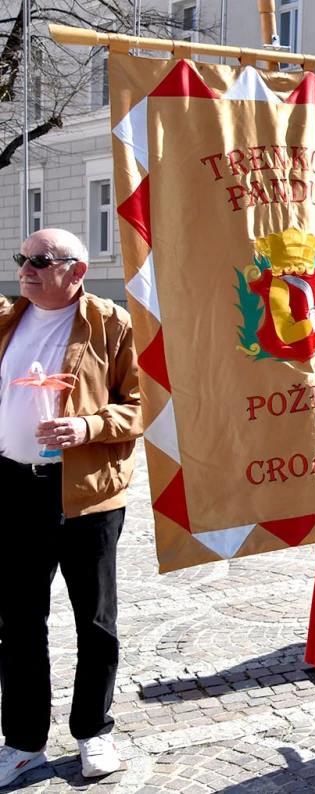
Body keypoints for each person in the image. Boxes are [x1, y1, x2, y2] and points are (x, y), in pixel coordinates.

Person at [0, 229, 142, 787]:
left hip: (86, 495)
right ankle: (24, 742)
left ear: (77, 271)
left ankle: (93, 732)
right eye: (22, 259)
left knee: (95, 620)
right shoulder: (8, 319)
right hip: (13, 489)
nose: (27, 269)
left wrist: (84, 426)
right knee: (18, 622)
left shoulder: (113, 324)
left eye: (42, 261)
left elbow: (145, 404)